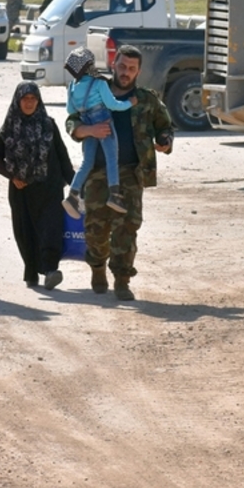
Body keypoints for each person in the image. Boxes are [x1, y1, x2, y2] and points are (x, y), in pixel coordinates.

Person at [66, 45, 173, 301]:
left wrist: (165, 140)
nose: (126, 73)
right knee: (96, 228)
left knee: (128, 227)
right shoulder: (94, 88)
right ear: (114, 64)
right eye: (122, 66)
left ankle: (122, 279)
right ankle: (97, 266)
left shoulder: (146, 99)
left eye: (132, 69)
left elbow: (164, 124)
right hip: (97, 171)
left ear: (139, 71)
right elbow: (72, 121)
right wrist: (87, 131)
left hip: (131, 173)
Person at [0, 82, 74, 289]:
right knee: (25, 232)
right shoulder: (9, 126)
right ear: (18, 101)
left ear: (39, 101)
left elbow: (62, 156)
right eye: (25, 99)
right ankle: (31, 272)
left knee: (51, 229)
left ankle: (50, 270)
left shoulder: (48, 124)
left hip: (49, 187)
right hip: (22, 190)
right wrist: (11, 176)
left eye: (33, 99)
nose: (29, 103)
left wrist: (76, 185)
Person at [62, 47, 132, 218]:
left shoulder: (72, 86)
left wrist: (88, 127)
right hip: (103, 122)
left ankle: (72, 195)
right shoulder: (98, 82)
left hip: (87, 124)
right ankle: (114, 195)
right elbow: (112, 104)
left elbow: (71, 110)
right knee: (112, 158)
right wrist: (130, 103)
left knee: (87, 162)